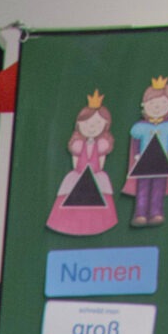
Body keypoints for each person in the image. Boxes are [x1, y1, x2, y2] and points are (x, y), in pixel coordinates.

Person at [46, 91, 117, 235]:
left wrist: (95, 173)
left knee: (101, 194)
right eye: (87, 123)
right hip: (79, 174)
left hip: (95, 175)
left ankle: (97, 223)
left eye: (97, 123)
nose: (92, 127)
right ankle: (70, 223)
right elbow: (76, 162)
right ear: (79, 124)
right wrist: (79, 174)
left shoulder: (101, 145)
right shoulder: (78, 145)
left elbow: (100, 162)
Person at [125, 78, 168, 226]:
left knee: (158, 188)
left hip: (161, 162)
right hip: (144, 162)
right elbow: (136, 141)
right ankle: (140, 213)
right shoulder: (141, 127)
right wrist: (137, 154)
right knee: (142, 188)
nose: (157, 107)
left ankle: (156, 212)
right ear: (145, 105)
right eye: (152, 103)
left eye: (162, 103)